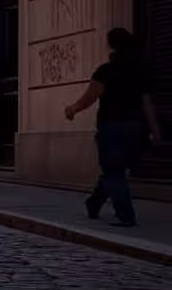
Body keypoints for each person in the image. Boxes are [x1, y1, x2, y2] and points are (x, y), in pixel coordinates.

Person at [64, 27, 161, 227]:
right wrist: (155, 130)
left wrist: (72, 109)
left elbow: (91, 97)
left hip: (112, 128)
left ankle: (126, 215)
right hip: (136, 129)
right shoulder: (139, 71)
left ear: (111, 45)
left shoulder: (106, 71)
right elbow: (147, 103)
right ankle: (94, 203)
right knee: (115, 170)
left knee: (114, 171)